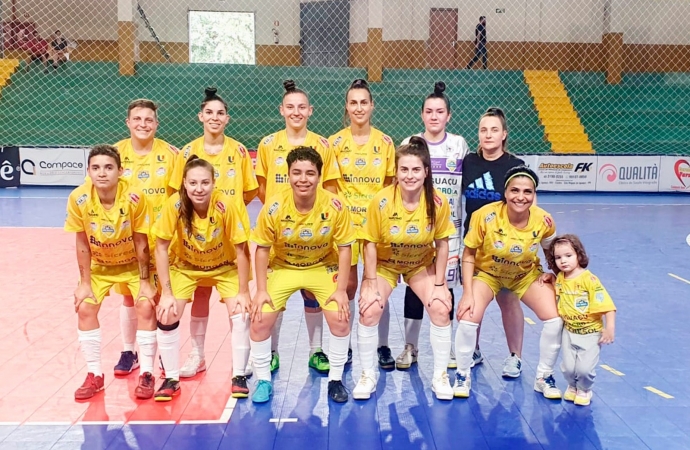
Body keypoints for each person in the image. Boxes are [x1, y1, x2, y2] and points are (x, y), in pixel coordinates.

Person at [249, 147, 354, 403]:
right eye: (296, 173)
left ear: (319, 176)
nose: (303, 179)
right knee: (260, 317)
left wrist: (341, 291)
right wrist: (261, 290)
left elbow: (344, 249)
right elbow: (261, 250)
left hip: (321, 265)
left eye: (310, 173)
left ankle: (336, 380)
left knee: (340, 317)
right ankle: (263, 379)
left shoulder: (335, 205)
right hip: (284, 266)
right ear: (288, 175)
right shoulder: (274, 206)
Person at [167, 87, 258, 379]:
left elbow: (249, 191)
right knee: (201, 294)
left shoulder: (240, 151)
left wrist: (223, 217)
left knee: (239, 304)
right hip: (195, 244)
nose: (214, 117)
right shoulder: (186, 152)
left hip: (229, 244)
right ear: (200, 116)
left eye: (220, 113)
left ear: (227, 118)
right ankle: (197, 355)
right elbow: (176, 193)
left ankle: (241, 363)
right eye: (209, 112)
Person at [356, 137, 456, 400]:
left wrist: (440, 284)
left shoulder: (438, 202)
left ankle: (440, 376)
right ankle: (367, 376)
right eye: (404, 169)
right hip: (386, 265)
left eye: (415, 170)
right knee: (369, 309)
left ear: (425, 172)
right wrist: (368, 282)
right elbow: (370, 244)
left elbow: (443, 244)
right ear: (396, 172)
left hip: (419, 265)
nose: (409, 175)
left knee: (441, 308)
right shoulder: (381, 201)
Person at [254, 80, 341, 374]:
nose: (296, 112)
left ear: (310, 111)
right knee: (272, 300)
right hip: (279, 233)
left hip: (315, 234)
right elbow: (263, 190)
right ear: (281, 110)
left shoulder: (323, 145)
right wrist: (281, 218)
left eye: (301, 107)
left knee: (312, 295)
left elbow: (330, 189)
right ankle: (274, 351)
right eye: (290, 107)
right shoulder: (267, 144)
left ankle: (315, 351)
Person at [454, 165, 563, 399]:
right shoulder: (485, 215)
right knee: (468, 315)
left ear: (534, 195)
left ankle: (543, 376)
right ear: (505, 192)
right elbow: (469, 253)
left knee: (555, 319)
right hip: (488, 274)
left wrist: (554, 273)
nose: (521, 197)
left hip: (524, 276)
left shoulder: (544, 220)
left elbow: (551, 250)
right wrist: (467, 292)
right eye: (515, 190)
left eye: (527, 192)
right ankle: (462, 375)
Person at [152, 156, 252, 401]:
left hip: (224, 266)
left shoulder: (226, 205)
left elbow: (241, 250)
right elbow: (161, 247)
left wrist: (243, 291)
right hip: (186, 267)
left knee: (241, 313)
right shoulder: (174, 205)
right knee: (166, 312)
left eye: (205, 183)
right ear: (184, 183)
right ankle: (171, 378)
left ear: (214, 183)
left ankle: (238, 374)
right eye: (193, 183)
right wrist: (165, 293)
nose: (199, 189)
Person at [64, 145, 156, 400]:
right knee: (85, 307)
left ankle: (147, 372)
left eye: (108, 167)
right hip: (100, 268)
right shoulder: (78, 198)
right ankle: (95, 374)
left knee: (146, 306)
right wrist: (84, 283)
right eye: (95, 168)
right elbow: (81, 242)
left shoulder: (135, 198)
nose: (102, 173)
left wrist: (145, 281)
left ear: (120, 171)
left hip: (132, 266)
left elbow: (142, 242)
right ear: (88, 172)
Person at [395, 81, 469, 371]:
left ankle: (445, 347)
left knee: (444, 290)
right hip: (415, 232)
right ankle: (410, 347)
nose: (434, 116)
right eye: (429, 111)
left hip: (449, 233)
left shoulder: (459, 145)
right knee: (415, 289)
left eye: (440, 111)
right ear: (422, 115)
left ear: (448, 115)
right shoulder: (411, 142)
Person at [110, 99, 179, 397]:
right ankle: (130, 352)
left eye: (148, 119)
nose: (143, 124)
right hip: (126, 242)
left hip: (162, 241)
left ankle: (163, 354)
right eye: (137, 119)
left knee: (163, 300)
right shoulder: (116, 153)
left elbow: (179, 198)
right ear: (127, 122)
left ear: (156, 123)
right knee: (131, 298)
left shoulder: (171, 155)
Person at [329, 78, 396, 370]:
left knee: (378, 286)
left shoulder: (385, 143)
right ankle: (344, 347)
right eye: (353, 102)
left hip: (375, 229)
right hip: (344, 227)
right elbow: (330, 188)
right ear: (347, 107)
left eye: (364, 102)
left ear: (372, 106)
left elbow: (390, 185)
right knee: (347, 286)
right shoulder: (334, 143)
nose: (359, 108)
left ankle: (381, 345)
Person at [461, 107, 527, 378]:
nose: (488, 135)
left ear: (504, 134)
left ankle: (515, 357)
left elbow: (528, 207)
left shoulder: (515, 166)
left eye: (494, 130)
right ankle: (473, 350)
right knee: (473, 301)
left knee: (508, 300)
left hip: (506, 249)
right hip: (475, 245)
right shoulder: (468, 162)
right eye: (483, 130)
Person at [544, 234, 616, 406]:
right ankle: (572, 386)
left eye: (568, 256)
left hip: (590, 333)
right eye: (558, 257)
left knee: (584, 369)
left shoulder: (589, 280)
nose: (563, 261)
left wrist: (609, 328)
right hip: (569, 331)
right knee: (568, 368)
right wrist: (551, 278)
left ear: (579, 255)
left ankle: (584, 389)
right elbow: (561, 288)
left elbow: (607, 306)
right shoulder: (561, 277)